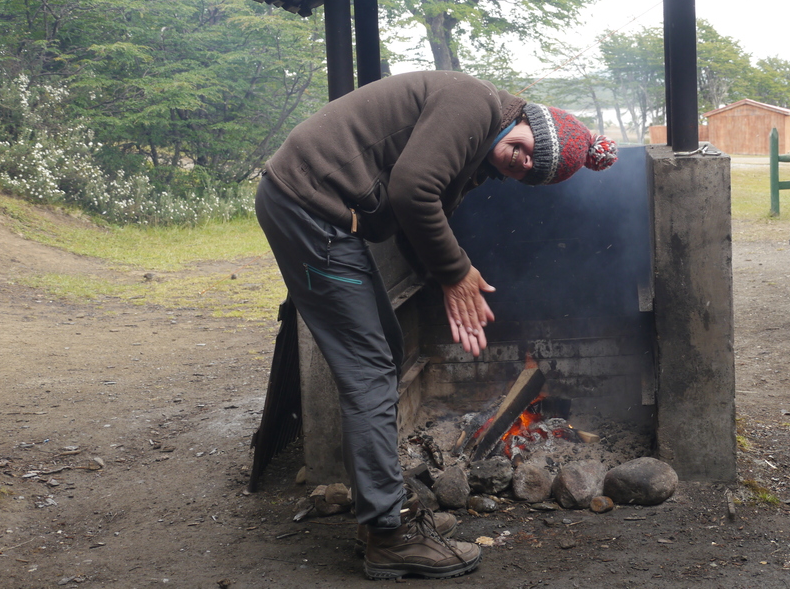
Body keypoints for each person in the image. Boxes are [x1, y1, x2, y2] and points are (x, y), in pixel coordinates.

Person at [254, 70, 616, 580]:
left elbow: (414, 219)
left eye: (534, 171)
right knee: (370, 371)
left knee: (384, 351)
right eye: (534, 150)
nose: (525, 163)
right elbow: (411, 191)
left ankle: (378, 517)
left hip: (321, 214)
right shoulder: (473, 102)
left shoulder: (477, 152)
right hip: (307, 207)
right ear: (531, 121)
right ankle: (388, 535)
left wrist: (445, 281)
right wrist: (456, 272)